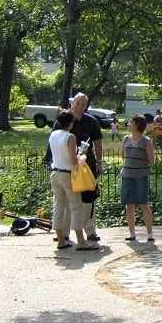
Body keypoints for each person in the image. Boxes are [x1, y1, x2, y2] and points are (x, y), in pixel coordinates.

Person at [49, 110, 98, 251]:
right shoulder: (70, 137)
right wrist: (81, 154)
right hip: (67, 174)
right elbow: (73, 159)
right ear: (71, 123)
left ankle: (61, 239)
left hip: (55, 172)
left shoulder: (53, 134)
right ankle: (81, 241)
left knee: (58, 206)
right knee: (75, 207)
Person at [69, 92, 103, 243]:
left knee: (88, 199)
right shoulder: (64, 119)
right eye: (78, 103)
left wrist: (99, 162)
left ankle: (90, 231)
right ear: (73, 103)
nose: (81, 106)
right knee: (67, 200)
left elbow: (98, 142)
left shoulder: (91, 121)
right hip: (68, 166)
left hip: (87, 165)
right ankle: (64, 233)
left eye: (84, 104)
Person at [120, 114, 155, 242]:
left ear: (137, 125)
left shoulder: (146, 141)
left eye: (131, 122)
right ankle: (131, 233)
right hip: (127, 175)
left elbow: (151, 159)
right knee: (129, 204)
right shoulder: (126, 139)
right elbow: (123, 155)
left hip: (140, 176)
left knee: (143, 203)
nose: (128, 124)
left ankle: (150, 233)